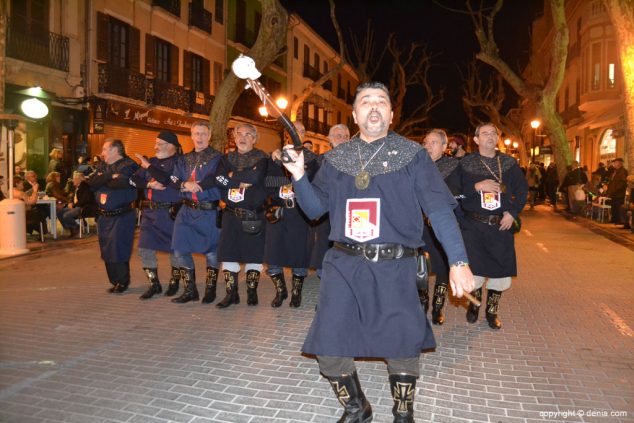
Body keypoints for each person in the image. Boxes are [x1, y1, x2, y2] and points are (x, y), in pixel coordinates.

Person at [280, 82, 475, 422]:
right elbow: (314, 210)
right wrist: (298, 175)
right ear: (354, 114)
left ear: (391, 113)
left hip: (395, 265)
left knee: (401, 344)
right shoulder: (336, 158)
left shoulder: (413, 156)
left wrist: (458, 261)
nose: (373, 107)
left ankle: (403, 412)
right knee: (328, 344)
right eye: (366, 102)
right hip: (343, 263)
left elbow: (440, 210)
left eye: (381, 102)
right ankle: (357, 408)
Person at [459, 122, 528, 330]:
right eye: (485, 133)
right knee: (476, 272)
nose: (490, 136)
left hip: (501, 227)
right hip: (474, 227)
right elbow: (456, 191)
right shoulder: (464, 163)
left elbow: (522, 191)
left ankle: (492, 312)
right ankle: (474, 305)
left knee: (500, 274)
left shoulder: (509, 163)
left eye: (493, 133)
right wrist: (476, 186)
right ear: (476, 139)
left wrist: (512, 212)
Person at [146, 122, 222, 304]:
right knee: (179, 250)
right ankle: (190, 290)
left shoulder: (218, 158)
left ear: (209, 135)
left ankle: (210, 290)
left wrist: (200, 186)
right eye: (196, 133)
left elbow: (216, 178)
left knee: (212, 253)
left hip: (208, 211)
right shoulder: (183, 159)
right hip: (186, 211)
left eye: (203, 133)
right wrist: (183, 184)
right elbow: (173, 178)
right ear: (192, 136)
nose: (200, 137)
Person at [201, 123, 269, 309]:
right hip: (231, 215)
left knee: (253, 256)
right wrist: (240, 178)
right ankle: (232, 294)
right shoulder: (226, 158)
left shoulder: (262, 158)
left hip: (253, 215)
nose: (243, 137)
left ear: (254, 139)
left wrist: (231, 177)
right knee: (228, 254)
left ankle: (252, 292)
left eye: (248, 134)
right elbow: (218, 179)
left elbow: (255, 179)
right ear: (234, 137)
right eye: (239, 134)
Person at [265, 121, 319, 308]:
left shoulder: (313, 159)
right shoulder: (275, 157)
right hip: (278, 212)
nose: (298, 133)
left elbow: (315, 185)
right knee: (272, 255)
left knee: (300, 255)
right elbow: (267, 181)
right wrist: (283, 187)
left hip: (300, 213)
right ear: (287, 133)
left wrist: (297, 186)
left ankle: (297, 292)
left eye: (302, 130)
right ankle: (281, 291)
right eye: (294, 130)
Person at [131, 131, 184, 300]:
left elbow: (167, 180)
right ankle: (154, 284)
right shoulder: (151, 162)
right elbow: (132, 180)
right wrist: (148, 184)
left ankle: (175, 282)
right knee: (144, 248)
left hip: (170, 213)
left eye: (159, 144)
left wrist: (148, 167)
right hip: (150, 213)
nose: (155, 147)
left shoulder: (178, 162)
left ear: (171, 146)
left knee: (174, 251)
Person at [86, 139, 139, 293]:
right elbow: (92, 182)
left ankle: (122, 282)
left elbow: (122, 183)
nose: (102, 153)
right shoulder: (103, 165)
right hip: (104, 216)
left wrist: (103, 179)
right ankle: (114, 281)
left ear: (115, 150)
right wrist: (110, 176)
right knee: (107, 249)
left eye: (104, 149)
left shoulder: (129, 165)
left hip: (122, 215)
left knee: (119, 247)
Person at [421, 128, 462, 325]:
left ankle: (438, 307)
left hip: (440, 226)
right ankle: (422, 304)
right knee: (419, 269)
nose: (428, 146)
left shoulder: (453, 167)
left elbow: (455, 194)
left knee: (443, 269)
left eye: (433, 142)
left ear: (445, 146)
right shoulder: (417, 165)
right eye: (426, 142)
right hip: (419, 227)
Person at [310, 124, 351, 278]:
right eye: (338, 135)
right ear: (330, 139)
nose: (342, 139)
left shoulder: (357, 160)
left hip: (348, 218)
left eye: (346, 136)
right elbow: (314, 186)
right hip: (326, 218)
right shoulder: (320, 160)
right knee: (324, 259)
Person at [59, 171, 97, 237]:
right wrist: (70, 203)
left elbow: (84, 200)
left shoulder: (85, 187)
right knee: (59, 212)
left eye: (74, 179)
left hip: (84, 207)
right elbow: (74, 197)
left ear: (79, 179)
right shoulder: (77, 187)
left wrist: (73, 205)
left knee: (66, 215)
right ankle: (72, 228)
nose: (73, 180)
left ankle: (75, 227)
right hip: (77, 206)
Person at [606, 158, 628, 225]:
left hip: (619, 193)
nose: (614, 164)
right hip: (614, 192)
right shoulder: (615, 171)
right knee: (614, 206)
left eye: (615, 163)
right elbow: (612, 181)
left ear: (619, 163)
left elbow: (622, 182)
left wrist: (616, 189)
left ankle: (619, 220)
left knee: (618, 206)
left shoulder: (623, 171)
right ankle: (614, 219)